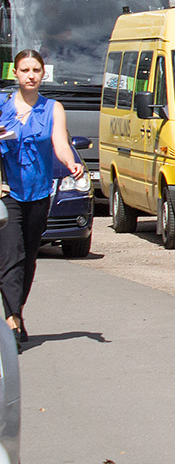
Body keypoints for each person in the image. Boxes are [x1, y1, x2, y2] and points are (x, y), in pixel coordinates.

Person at [0, 49, 82, 344]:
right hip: (7, 192)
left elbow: (60, 143)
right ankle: (11, 322)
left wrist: (71, 163)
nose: (30, 76)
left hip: (38, 193)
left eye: (35, 70)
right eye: (25, 70)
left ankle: (16, 311)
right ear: (15, 73)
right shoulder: (2, 107)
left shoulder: (53, 108)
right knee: (12, 254)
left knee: (29, 257)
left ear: (43, 74)